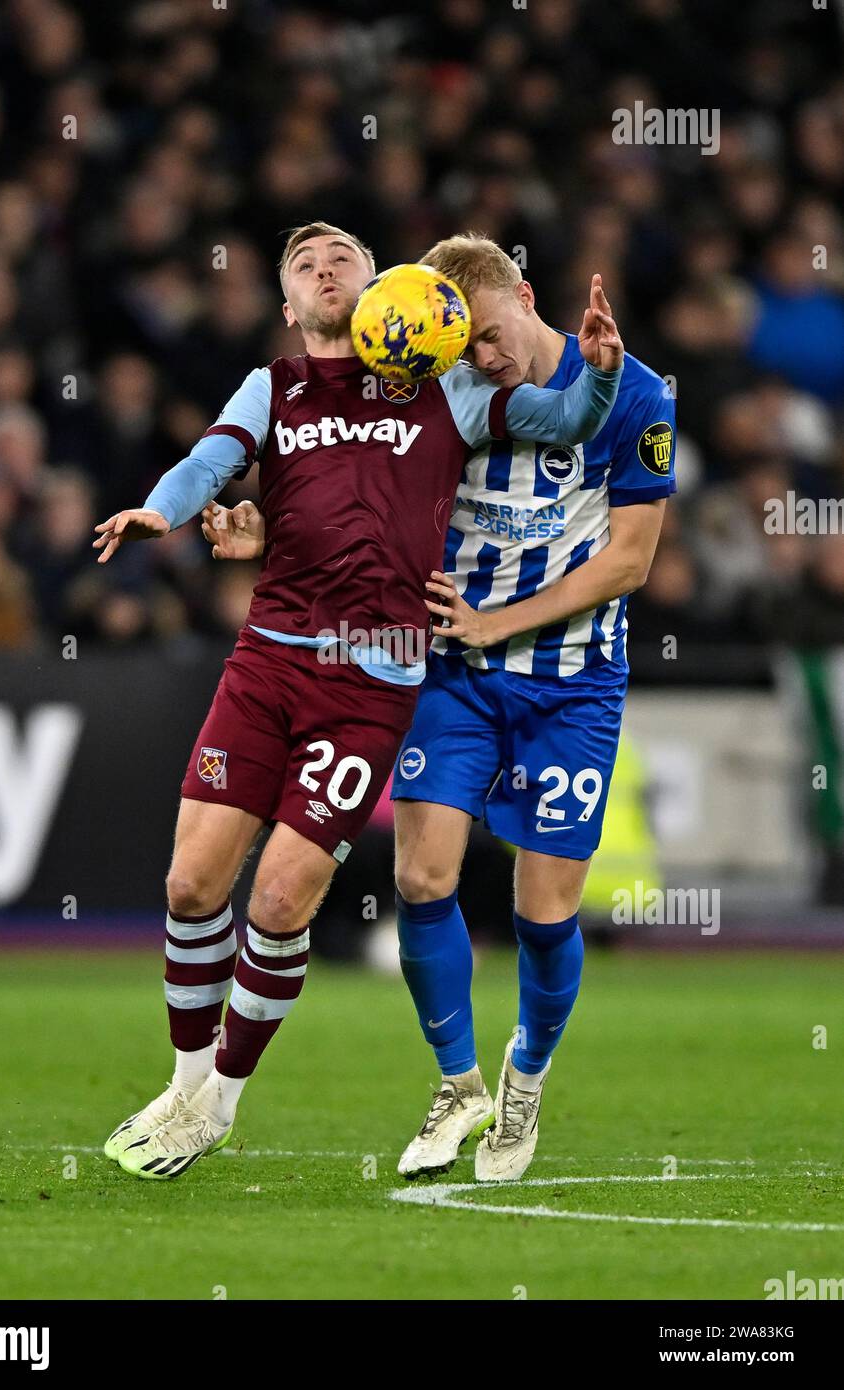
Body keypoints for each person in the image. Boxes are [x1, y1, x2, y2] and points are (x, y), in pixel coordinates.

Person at [92, 222, 623, 1180]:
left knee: (283, 898)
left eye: (342, 257)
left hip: (373, 680)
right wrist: (163, 511)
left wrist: (598, 374)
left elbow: (569, 423)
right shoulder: (276, 388)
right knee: (188, 887)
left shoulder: (444, 390)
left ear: (385, 288)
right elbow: (213, 461)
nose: (323, 268)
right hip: (267, 663)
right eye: (302, 263)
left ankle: (221, 1102)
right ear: (288, 305)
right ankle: (184, 1083)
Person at [389, 235, 675, 1181]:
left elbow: (629, 562)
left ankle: (526, 1078)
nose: (482, 358)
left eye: (488, 335)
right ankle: (456, 1083)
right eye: (462, 346)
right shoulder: (445, 394)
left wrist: (498, 620)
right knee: (423, 878)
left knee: (543, 915)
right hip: (457, 675)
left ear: (524, 291)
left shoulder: (636, 393)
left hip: (572, 685)